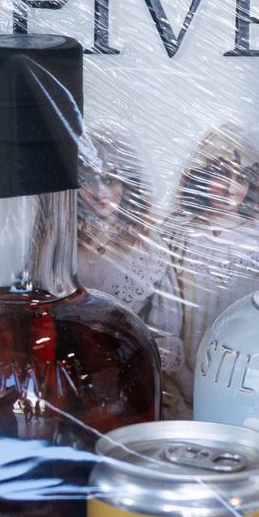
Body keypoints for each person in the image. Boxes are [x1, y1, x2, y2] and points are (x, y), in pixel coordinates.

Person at [157, 126, 259, 416]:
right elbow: (166, 314)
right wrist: (185, 379)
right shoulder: (178, 234)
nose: (231, 189)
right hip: (187, 375)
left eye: (241, 178)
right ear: (202, 176)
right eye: (222, 175)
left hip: (247, 377)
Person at [76, 127, 184, 384]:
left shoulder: (147, 248)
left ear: (127, 184)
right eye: (88, 180)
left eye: (110, 180)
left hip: (132, 375)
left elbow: (166, 327)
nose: (100, 193)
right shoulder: (59, 242)